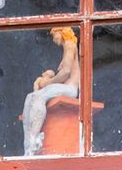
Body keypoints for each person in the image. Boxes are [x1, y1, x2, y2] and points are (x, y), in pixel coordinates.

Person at [20, 25, 81, 156]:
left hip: (70, 89)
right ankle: (28, 142)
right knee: (30, 97)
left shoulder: (70, 45)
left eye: (54, 35)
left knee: (39, 97)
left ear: (62, 32)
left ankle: (34, 140)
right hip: (65, 86)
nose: (54, 40)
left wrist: (48, 82)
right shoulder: (67, 47)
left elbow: (65, 72)